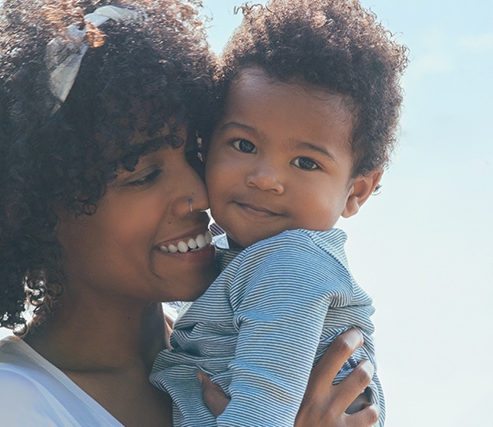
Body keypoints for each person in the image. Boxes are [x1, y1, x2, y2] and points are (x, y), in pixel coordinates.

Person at [0, 0, 381, 426]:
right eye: (146, 175)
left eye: (194, 154)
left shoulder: (238, 344)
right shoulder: (4, 401)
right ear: (37, 210)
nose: (199, 194)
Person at [150, 1, 408, 426]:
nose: (266, 178)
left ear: (356, 190)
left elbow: (261, 415)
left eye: (306, 162)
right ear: (205, 144)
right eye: (244, 145)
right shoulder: (228, 257)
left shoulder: (289, 265)